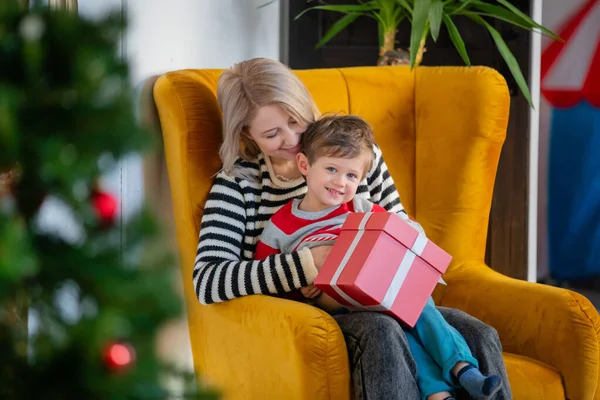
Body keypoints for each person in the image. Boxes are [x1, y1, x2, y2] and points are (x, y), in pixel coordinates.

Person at [193, 57, 511, 399]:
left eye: (296, 121)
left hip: (380, 294)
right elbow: (208, 281)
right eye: (272, 134)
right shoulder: (238, 185)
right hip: (314, 315)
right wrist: (308, 264)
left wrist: (407, 243)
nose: (293, 138)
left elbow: (396, 220)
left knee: (478, 333)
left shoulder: (356, 154)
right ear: (246, 134)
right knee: (383, 330)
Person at [254, 115, 502, 400]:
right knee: (395, 321)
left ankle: (456, 376)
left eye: (351, 176)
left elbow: (403, 234)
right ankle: (455, 374)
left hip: (379, 293)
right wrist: (299, 290)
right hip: (336, 308)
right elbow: (267, 282)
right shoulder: (279, 227)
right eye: (331, 169)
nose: (340, 182)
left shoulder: (360, 207)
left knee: (414, 308)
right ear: (304, 165)